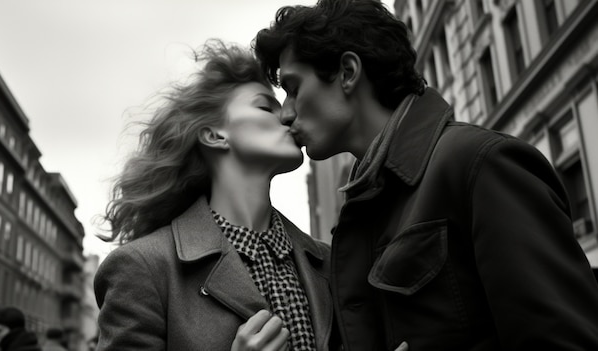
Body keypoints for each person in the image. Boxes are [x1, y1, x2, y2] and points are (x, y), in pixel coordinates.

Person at [253, 0, 598, 350]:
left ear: (347, 72)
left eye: (294, 88)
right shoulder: (361, 210)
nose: (286, 113)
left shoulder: (479, 164)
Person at [94, 40, 335, 351]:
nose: (289, 116)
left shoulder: (327, 261)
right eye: (265, 106)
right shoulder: (144, 267)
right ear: (214, 134)